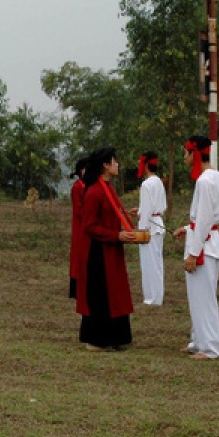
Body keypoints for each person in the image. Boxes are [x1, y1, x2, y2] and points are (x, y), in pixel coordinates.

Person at [76, 147, 136, 351]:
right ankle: (97, 339)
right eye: (114, 161)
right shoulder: (93, 191)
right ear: (105, 165)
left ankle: (116, 337)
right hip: (98, 252)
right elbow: (89, 225)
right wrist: (115, 235)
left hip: (112, 249)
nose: (117, 165)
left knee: (117, 292)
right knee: (101, 294)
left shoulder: (108, 188)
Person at [173, 135, 219, 360]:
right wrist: (188, 227)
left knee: (204, 298)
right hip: (206, 237)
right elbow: (206, 217)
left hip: (204, 245)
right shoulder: (215, 176)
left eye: (186, 153)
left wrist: (194, 254)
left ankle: (212, 347)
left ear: (194, 154)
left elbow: (205, 219)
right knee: (198, 297)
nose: (184, 157)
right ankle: (199, 340)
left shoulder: (205, 181)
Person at [132, 151, 167, 306]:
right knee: (157, 263)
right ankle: (156, 296)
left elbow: (147, 210)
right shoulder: (158, 181)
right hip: (158, 221)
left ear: (145, 165)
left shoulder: (146, 184)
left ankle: (152, 298)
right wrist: (140, 211)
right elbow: (152, 206)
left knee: (149, 264)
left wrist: (141, 229)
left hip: (150, 227)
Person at [67, 157, 88, 299]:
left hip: (87, 225)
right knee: (78, 255)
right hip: (81, 227)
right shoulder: (77, 187)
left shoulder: (87, 186)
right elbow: (80, 210)